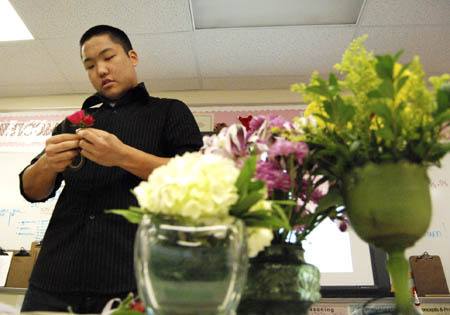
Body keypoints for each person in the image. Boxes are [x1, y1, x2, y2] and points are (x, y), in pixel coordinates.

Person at [19, 25, 202, 313]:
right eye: (90, 66)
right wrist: (47, 163)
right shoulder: (72, 123)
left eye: (108, 57)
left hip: (132, 281)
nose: (101, 70)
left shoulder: (170, 111)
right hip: (53, 278)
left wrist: (123, 156)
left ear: (132, 57)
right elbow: (31, 190)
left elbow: (197, 178)